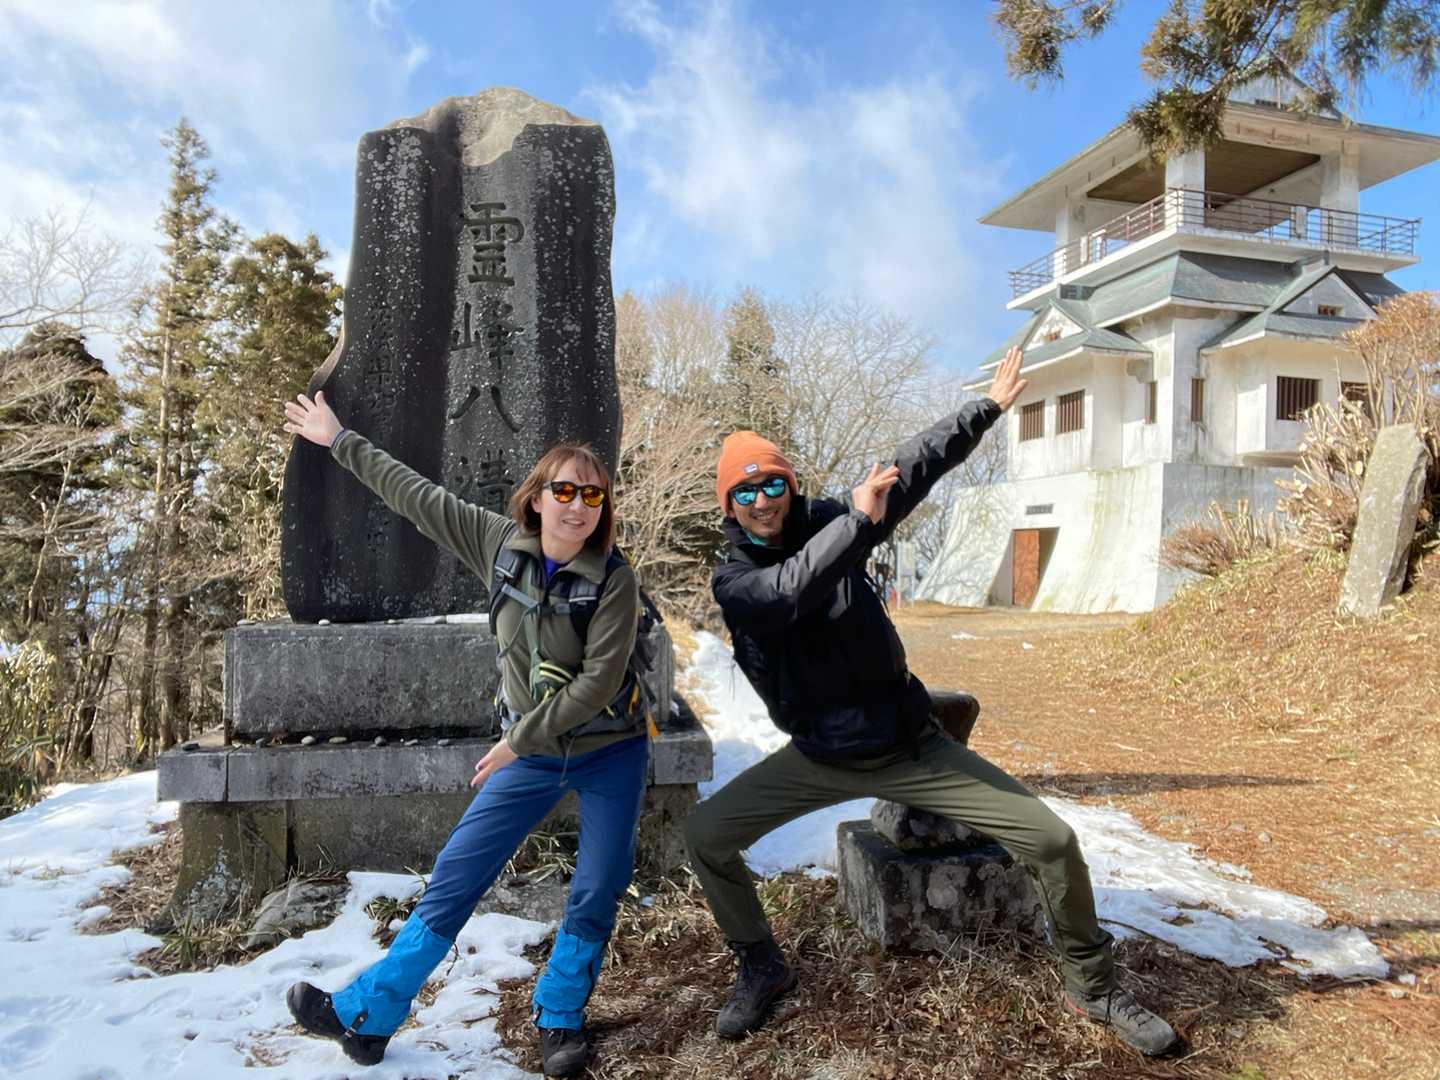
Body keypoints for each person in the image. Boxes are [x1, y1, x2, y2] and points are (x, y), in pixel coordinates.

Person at [684, 346, 1179, 1056]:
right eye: (745, 492)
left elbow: (911, 469)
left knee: (1052, 842)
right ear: (727, 506)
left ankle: (1093, 984)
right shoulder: (734, 580)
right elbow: (789, 592)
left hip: (909, 745)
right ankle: (761, 963)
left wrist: (986, 410)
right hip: (818, 756)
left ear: (791, 485)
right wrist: (857, 525)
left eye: (773, 484)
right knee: (707, 835)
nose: (762, 501)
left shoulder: (835, 519)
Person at [279, 391, 648, 1077]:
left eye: (592, 496)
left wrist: (515, 742)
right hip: (530, 754)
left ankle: (560, 1017)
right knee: (457, 875)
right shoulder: (498, 545)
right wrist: (339, 440)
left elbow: (599, 683)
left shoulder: (614, 582)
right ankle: (370, 1015)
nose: (577, 505)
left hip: (610, 752)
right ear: (537, 498)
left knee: (598, 885)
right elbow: (414, 495)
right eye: (564, 490)